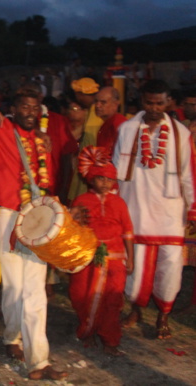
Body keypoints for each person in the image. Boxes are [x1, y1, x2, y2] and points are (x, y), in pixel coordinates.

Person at [0, 89, 68, 381]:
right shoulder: (2, 129)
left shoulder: (42, 141)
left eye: (35, 108)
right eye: (24, 107)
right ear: (13, 109)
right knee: (14, 288)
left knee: (35, 291)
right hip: (8, 217)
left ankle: (39, 361)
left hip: (36, 220)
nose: (30, 112)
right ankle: (12, 338)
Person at [114, 79, 196, 339]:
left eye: (159, 102)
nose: (154, 107)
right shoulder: (127, 129)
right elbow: (115, 170)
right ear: (142, 101)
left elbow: (187, 174)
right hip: (135, 205)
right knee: (135, 262)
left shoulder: (181, 133)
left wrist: (192, 208)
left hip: (170, 211)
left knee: (170, 264)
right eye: (149, 102)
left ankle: (163, 314)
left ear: (168, 102)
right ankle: (136, 308)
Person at [70, 146, 134, 356]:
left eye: (109, 180)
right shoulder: (81, 201)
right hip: (88, 257)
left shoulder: (119, 203)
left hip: (115, 259)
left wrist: (130, 259)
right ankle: (87, 330)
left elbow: (127, 232)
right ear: (91, 179)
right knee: (82, 295)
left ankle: (110, 340)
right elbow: (73, 231)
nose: (105, 183)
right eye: (100, 179)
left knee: (112, 300)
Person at [95, 87, 127, 155]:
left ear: (115, 104)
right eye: (96, 101)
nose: (97, 105)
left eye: (103, 102)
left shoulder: (118, 123)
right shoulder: (107, 123)